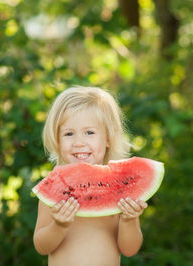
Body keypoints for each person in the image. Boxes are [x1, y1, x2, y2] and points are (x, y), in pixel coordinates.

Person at [33, 86, 148, 266]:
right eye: (69, 133)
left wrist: (129, 219)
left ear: (108, 138)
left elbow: (129, 249)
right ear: (57, 139)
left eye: (90, 132)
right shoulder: (55, 186)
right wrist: (59, 225)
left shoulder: (120, 189)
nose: (79, 142)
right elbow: (41, 246)